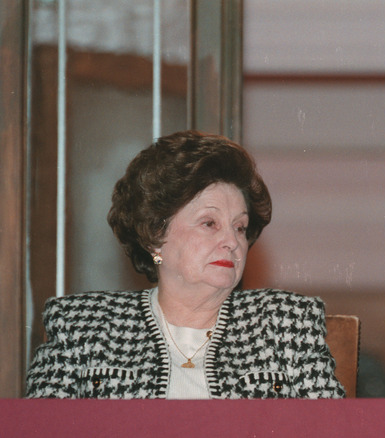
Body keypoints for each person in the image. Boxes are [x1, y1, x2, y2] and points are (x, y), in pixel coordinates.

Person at [26, 130, 345, 399]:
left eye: (240, 227)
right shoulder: (82, 327)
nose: (232, 242)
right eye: (209, 223)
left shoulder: (287, 325)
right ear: (154, 235)